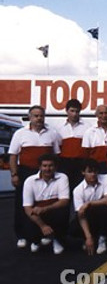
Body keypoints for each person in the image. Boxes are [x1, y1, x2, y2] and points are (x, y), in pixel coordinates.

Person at [9, 105, 60, 249]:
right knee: (22, 204)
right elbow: (13, 156)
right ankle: (22, 236)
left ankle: (41, 235)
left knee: (43, 204)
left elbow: (56, 156)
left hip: (46, 174)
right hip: (25, 172)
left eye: (41, 116)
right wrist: (14, 174)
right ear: (30, 117)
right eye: (36, 116)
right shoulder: (20, 134)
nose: (39, 118)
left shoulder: (52, 134)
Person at [23, 154, 69, 254]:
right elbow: (27, 207)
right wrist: (43, 226)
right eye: (44, 166)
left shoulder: (62, 177)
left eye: (51, 166)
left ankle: (56, 239)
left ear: (56, 167)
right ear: (39, 167)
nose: (47, 169)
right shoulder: (29, 181)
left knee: (62, 212)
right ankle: (36, 240)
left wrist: (45, 208)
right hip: (37, 212)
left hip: (52, 210)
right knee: (29, 217)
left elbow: (64, 201)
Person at [71, 158, 107, 255]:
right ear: (83, 172)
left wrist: (90, 203)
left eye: (95, 171)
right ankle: (91, 238)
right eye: (89, 172)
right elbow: (81, 215)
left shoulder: (106, 178)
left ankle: (103, 238)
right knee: (73, 227)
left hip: (103, 212)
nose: (93, 174)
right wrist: (88, 237)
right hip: (89, 216)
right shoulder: (78, 190)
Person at [56, 99, 90, 191]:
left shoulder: (87, 127)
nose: (74, 114)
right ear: (66, 111)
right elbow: (57, 148)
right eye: (72, 111)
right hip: (64, 164)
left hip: (81, 163)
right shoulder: (59, 128)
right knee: (64, 189)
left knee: (80, 189)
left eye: (77, 111)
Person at [82, 105, 107, 174]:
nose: (104, 115)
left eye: (106, 113)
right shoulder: (89, 132)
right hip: (96, 169)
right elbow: (85, 155)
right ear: (96, 115)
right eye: (101, 113)